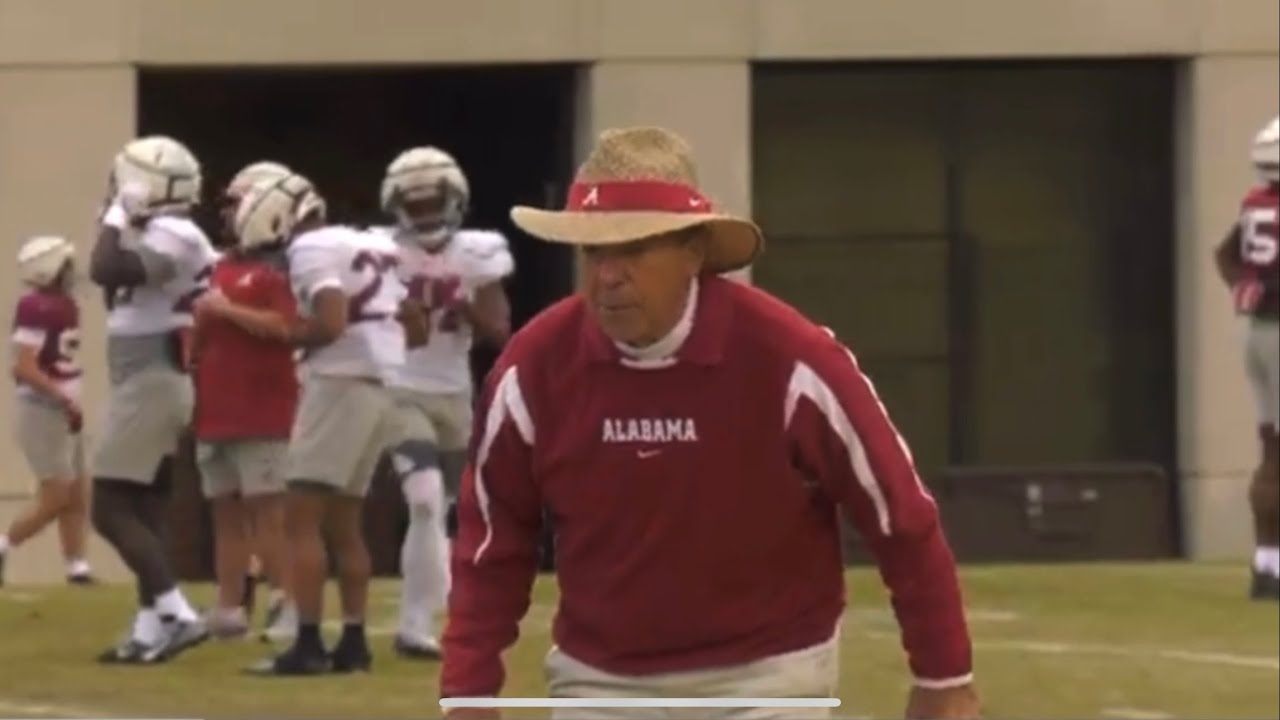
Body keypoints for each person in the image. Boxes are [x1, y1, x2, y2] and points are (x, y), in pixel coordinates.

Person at [440, 127, 980, 720]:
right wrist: (467, 694)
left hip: (769, 678)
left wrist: (944, 676)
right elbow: (492, 542)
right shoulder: (533, 368)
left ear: (693, 251)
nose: (608, 276)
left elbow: (899, 517)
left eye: (633, 249)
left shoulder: (792, 361)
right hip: (600, 682)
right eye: (594, 252)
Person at [234, 173, 427, 675]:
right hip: (384, 386)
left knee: (301, 519)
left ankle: (307, 644)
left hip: (339, 385)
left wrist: (286, 335)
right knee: (346, 522)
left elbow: (331, 321)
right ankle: (355, 644)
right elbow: (418, 325)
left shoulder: (312, 248)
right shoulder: (374, 241)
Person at [379, 146, 514, 659]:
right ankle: (415, 626)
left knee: (451, 512)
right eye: (414, 205)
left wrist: (460, 303)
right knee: (424, 498)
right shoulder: (380, 253)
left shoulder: (478, 252)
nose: (425, 214)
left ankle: (439, 612)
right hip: (401, 389)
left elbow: (500, 331)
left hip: (454, 395)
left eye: (433, 202)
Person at [88, 135, 216, 663]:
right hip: (148, 376)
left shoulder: (177, 234)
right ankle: (148, 630)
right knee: (145, 504)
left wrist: (118, 215)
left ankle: (178, 615)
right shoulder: (163, 229)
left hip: (153, 378)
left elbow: (106, 270)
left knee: (109, 508)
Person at [190, 160, 300, 638]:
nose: (230, 214)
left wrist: (226, 311)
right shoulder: (217, 266)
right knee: (226, 515)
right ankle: (230, 607)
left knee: (268, 515)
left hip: (262, 409)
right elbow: (198, 337)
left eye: (237, 205)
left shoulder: (280, 271)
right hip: (216, 408)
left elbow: (285, 329)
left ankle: (288, 604)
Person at [0, 236, 95, 587]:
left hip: (62, 406)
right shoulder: (35, 306)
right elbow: (23, 367)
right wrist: (62, 397)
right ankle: (3, 545)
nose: (72, 271)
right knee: (56, 494)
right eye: (65, 264)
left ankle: (77, 567)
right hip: (43, 409)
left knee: (79, 490)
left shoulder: (65, 304)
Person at [1214, 115, 1280, 601]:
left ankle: (1266, 563)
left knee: (1271, 451)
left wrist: (1246, 286)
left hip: (1257, 331)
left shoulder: (1256, 205)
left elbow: (1226, 255)